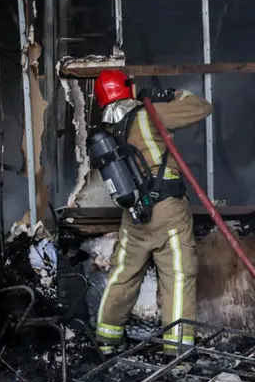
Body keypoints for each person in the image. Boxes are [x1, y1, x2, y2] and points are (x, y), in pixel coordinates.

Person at [90, 69, 211, 357]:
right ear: (126, 88)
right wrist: (170, 95)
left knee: (123, 274)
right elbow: (202, 107)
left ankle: (106, 340)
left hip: (133, 214)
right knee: (178, 275)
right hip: (167, 211)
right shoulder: (149, 114)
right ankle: (178, 354)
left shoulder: (107, 130)